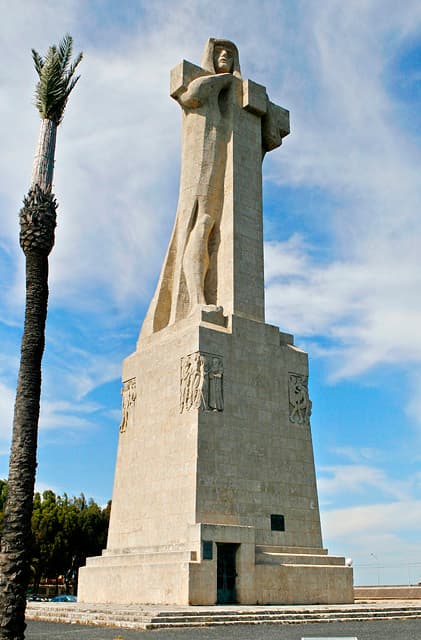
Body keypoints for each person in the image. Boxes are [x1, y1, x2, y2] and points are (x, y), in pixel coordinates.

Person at [141, 39, 242, 336]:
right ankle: (198, 299)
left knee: (210, 227)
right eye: (220, 52)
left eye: (231, 54)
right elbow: (191, 95)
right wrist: (225, 79)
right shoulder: (204, 86)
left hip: (225, 169)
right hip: (201, 167)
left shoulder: (234, 101)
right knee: (202, 224)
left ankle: (203, 298)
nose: (225, 56)